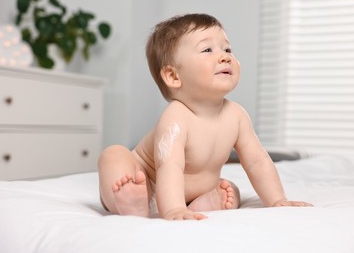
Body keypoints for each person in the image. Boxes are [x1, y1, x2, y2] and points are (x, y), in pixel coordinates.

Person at [98, 13, 312, 221]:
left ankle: (206, 202)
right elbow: (169, 167)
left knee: (230, 190)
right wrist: (173, 209)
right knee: (113, 155)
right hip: (150, 182)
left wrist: (277, 200)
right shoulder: (177, 116)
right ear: (173, 76)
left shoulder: (237, 115)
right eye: (207, 49)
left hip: (193, 192)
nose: (225, 56)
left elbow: (257, 161)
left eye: (227, 48)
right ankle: (128, 200)